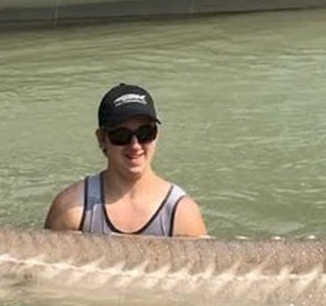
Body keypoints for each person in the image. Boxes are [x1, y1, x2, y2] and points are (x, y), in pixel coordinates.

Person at [45, 83, 207, 237]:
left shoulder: (182, 214)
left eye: (145, 133)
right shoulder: (70, 208)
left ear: (157, 135)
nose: (135, 145)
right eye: (121, 136)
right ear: (101, 139)